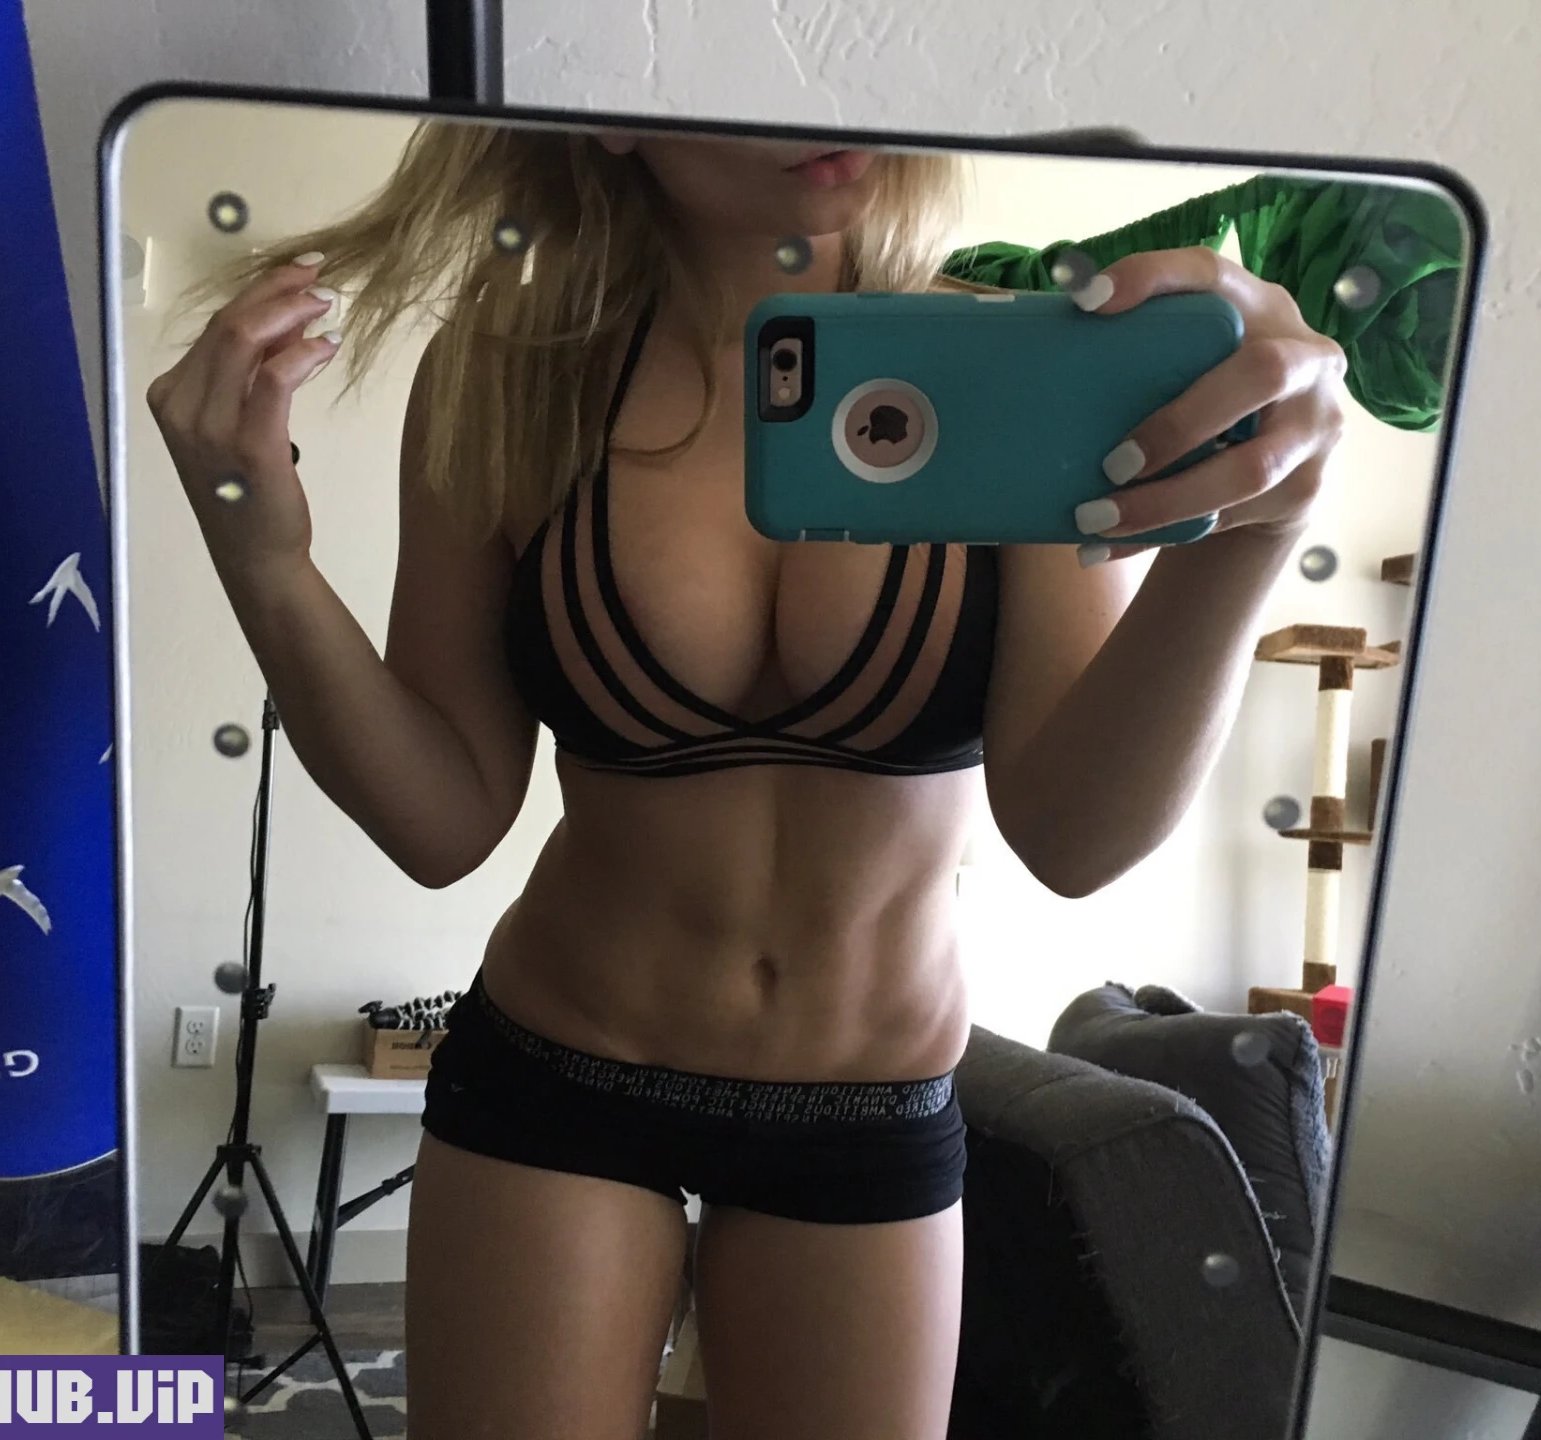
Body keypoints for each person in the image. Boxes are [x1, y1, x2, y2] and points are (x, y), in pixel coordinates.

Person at [146, 121, 1347, 1440]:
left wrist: (1251, 543)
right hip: (561, 1076)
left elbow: (1077, 838)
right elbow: (444, 821)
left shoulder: (1004, 359)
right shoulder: (512, 372)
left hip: (868, 1109)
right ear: (617, 105)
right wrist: (263, 560)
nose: (824, 115)